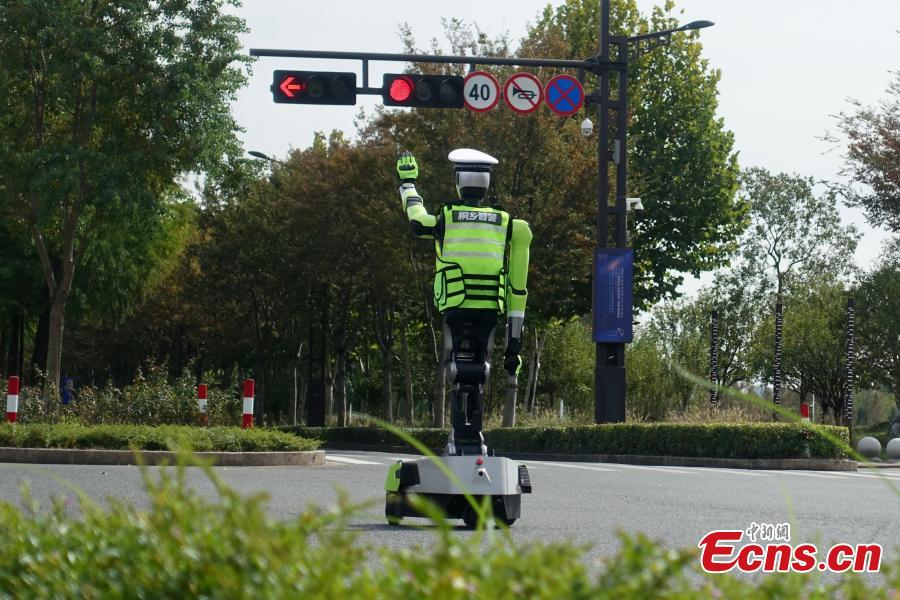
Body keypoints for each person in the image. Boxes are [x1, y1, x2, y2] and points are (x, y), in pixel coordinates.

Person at [396, 148, 532, 455]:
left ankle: (460, 438)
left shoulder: (447, 217)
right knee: (480, 369)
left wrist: (408, 184)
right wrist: (514, 343)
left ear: (458, 181)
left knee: (459, 368)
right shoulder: (510, 224)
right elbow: (518, 288)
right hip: (490, 309)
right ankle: (473, 436)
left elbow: (417, 220)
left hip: (455, 305)